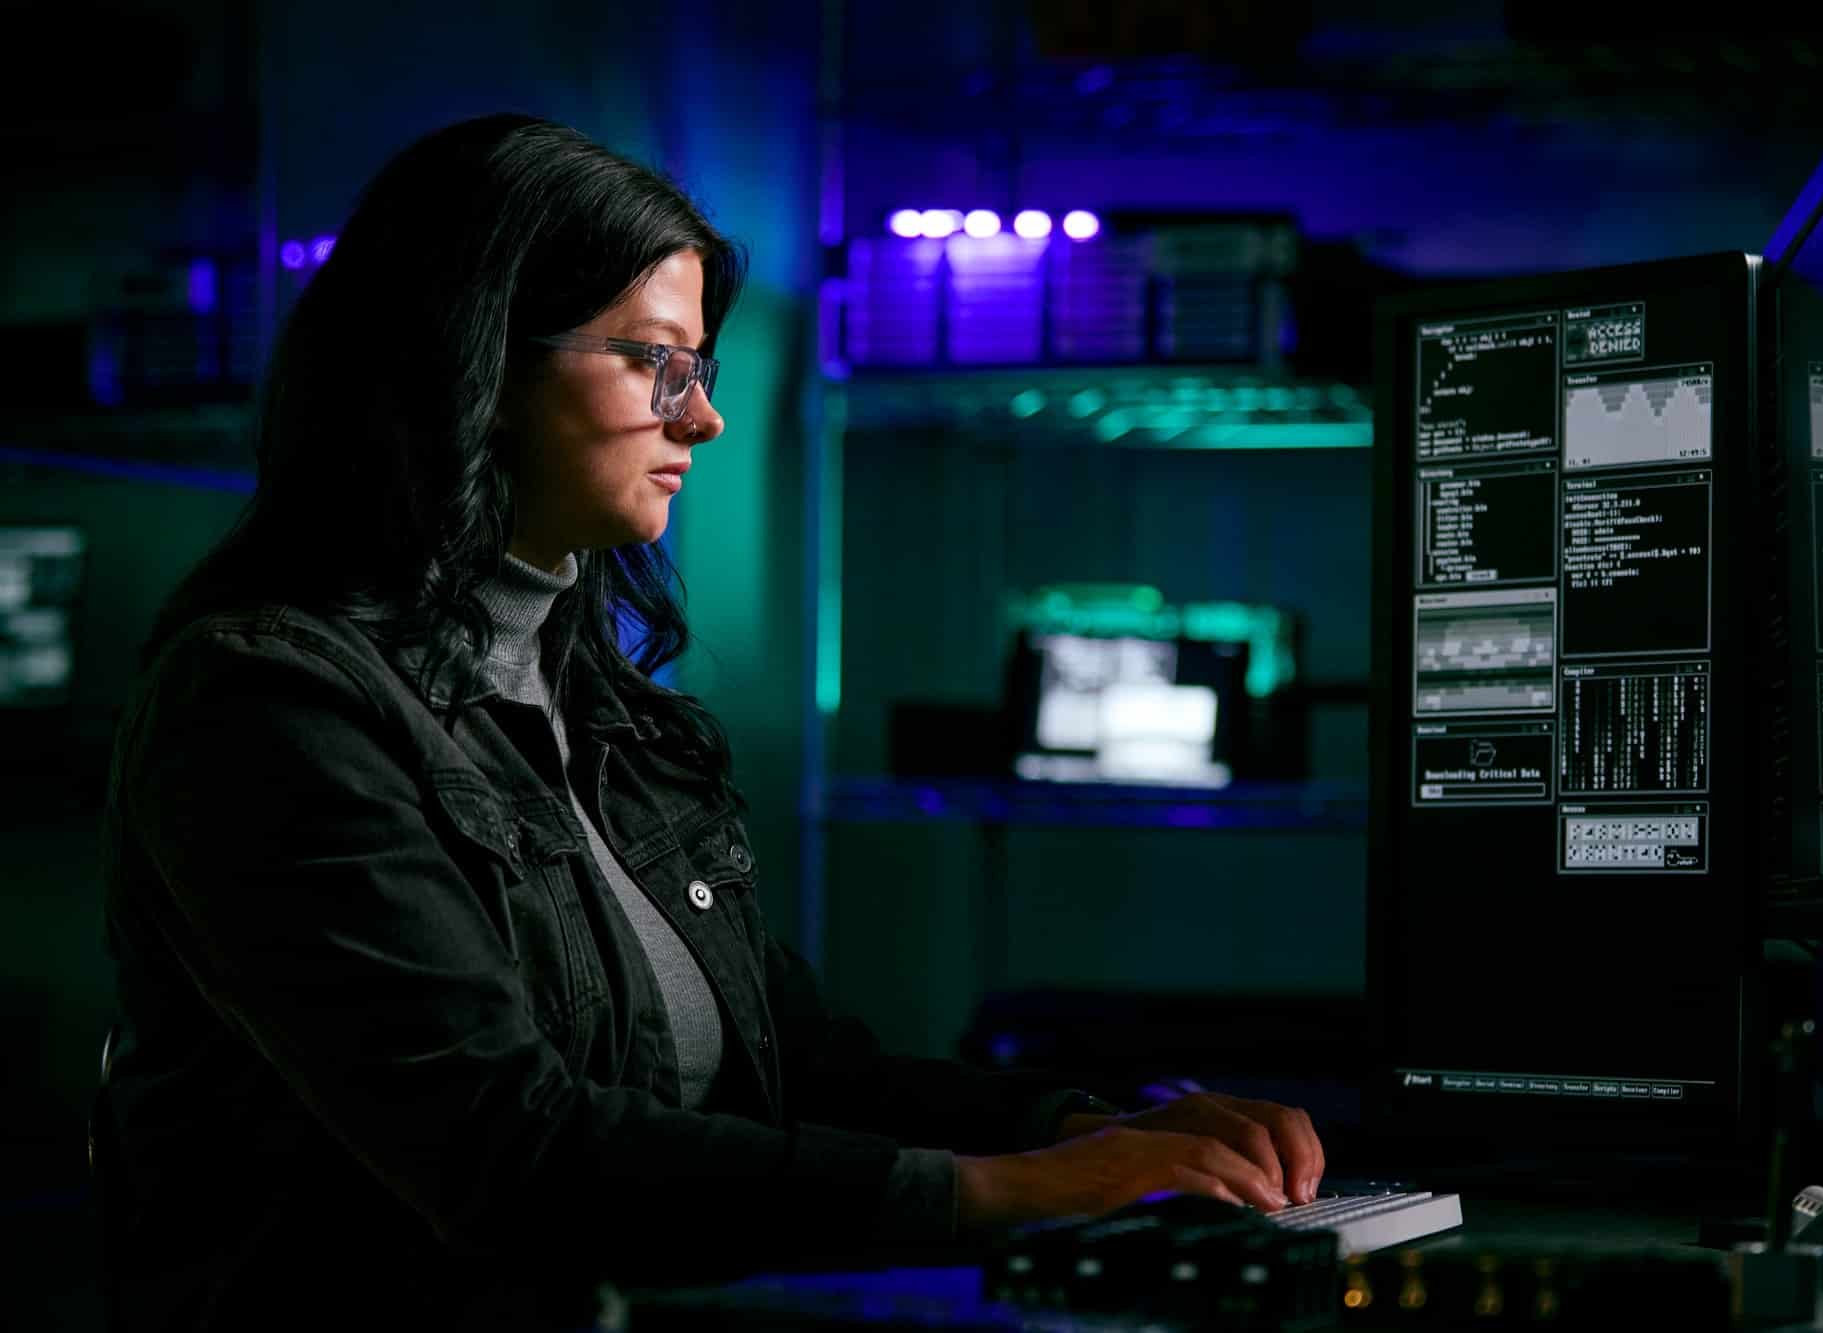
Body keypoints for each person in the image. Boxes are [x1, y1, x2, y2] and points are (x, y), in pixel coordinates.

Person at [95, 115, 1325, 1331]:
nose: (702, 421)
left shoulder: (606, 711)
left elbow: (788, 1065)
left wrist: (1073, 1128)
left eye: (702, 369)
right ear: (472, 358)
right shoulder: (264, 699)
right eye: (653, 361)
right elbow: (499, 1152)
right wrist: (1004, 1193)